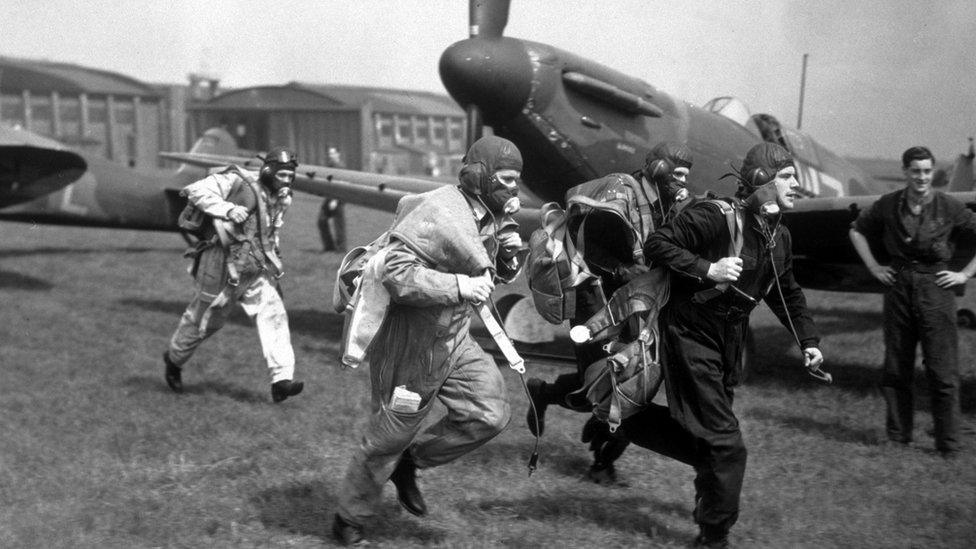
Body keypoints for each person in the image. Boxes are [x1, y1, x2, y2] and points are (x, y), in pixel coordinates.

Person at [618, 142, 824, 548]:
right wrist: (707, 268)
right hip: (691, 333)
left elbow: (787, 292)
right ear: (762, 181)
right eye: (787, 177)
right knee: (726, 444)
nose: (797, 185)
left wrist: (808, 341)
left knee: (708, 440)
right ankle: (713, 536)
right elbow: (659, 244)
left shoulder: (777, 235)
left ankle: (625, 420)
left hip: (727, 343)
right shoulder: (716, 215)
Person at [332, 136, 524, 546]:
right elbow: (397, 274)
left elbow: (482, 275)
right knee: (392, 434)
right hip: (412, 342)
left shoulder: (486, 215)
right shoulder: (439, 209)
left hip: (453, 335)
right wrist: (459, 285)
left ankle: (411, 464)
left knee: (489, 413)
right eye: (506, 178)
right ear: (479, 176)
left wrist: (506, 257)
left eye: (517, 180)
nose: (514, 189)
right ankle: (349, 518)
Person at [524, 141, 693, 485]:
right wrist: (619, 270)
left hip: (634, 299)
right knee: (608, 384)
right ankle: (599, 458)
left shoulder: (665, 204)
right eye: (676, 174)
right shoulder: (621, 191)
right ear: (658, 169)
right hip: (593, 296)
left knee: (632, 379)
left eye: (685, 176)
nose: (681, 182)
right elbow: (582, 237)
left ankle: (552, 399)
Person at [849, 145, 976, 458]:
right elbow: (856, 230)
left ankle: (948, 444)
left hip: (936, 288)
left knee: (942, 370)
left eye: (927, 171)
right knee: (896, 367)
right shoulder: (889, 204)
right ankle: (898, 437)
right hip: (898, 288)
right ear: (905, 172)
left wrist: (965, 275)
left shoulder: (948, 206)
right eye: (916, 171)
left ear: (933, 173)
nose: (922, 177)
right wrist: (874, 267)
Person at [162, 147, 304, 404]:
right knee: (205, 321)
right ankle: (174, 359)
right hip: (220, 261)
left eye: (290, 176)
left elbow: (271, 234)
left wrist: (273, 267)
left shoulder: (281, 198)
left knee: (274, 315)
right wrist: (226, 209)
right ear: (269, 171)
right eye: (282, 175)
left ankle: (281, 381)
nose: (287, 181)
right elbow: (196, 190)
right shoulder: (238, 180)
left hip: (256, 266)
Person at [318, 146, 347, 252]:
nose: (330, 155)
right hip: (329, 198)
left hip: (338, 199)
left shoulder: (340, 167)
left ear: (338, 154)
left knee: (339, 224)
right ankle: (329, 246)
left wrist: (335, 199)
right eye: (329, 153)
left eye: (332, 153)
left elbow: (342, 185)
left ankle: (341, 248)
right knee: (321, 221)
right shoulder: (329, 167)